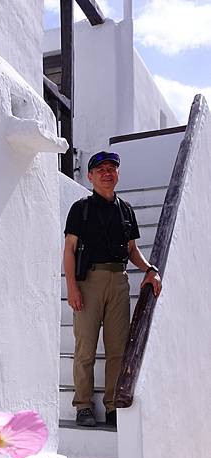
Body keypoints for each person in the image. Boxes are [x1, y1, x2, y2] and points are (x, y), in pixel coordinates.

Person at [63, 151, 162, 428]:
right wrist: (71, 287)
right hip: (88, 282)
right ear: (90, 176)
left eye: (112, 168)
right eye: (101, 169)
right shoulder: (80, 209)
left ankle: (112, 406)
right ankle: (83, 405)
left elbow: (131, 250)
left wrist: (149, 269)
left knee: (118, 348)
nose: (107, 173)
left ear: (118, 174)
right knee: (86, 347)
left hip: (118, 281)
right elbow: (69, 250)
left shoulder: (126, 210)